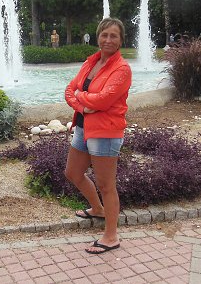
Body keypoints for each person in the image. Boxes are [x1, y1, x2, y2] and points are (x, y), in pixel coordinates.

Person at [64, 18, 132, 255]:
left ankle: (111, 237)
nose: (108, 40)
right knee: (73, 173)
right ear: (98, 37)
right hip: (84, 126)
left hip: (105, 131)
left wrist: (80, 97)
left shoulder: (122, 69)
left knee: (106, 185)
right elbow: (69, 90)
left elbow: (104, 100)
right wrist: (83, 105)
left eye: (114, 36)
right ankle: (98, 209)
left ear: (121, 40)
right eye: (104, 35)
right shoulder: (91, 61)